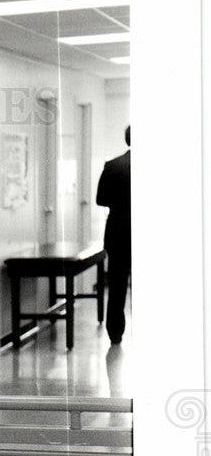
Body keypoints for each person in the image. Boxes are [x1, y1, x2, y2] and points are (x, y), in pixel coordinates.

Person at [96, 125, 131, 344]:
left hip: (118, 230)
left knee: (117, 283)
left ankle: (115, 333)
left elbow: (100, 199)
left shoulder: (112, 165)